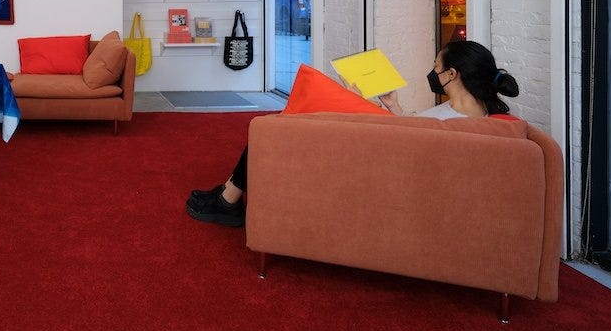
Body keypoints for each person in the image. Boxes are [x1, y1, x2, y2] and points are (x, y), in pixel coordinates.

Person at [185, 39, 520, 228]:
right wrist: (395, 109)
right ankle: (230, 190)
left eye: (435, 68)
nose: (432, 73)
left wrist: (354, 104)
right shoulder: (478, 117)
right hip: (392, 158)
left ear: (451, 75)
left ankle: (228, 199)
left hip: (374, 169)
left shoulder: (449, 120)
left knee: (271, 131)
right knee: (275, 129)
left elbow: (409, 140)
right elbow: (416, 132)